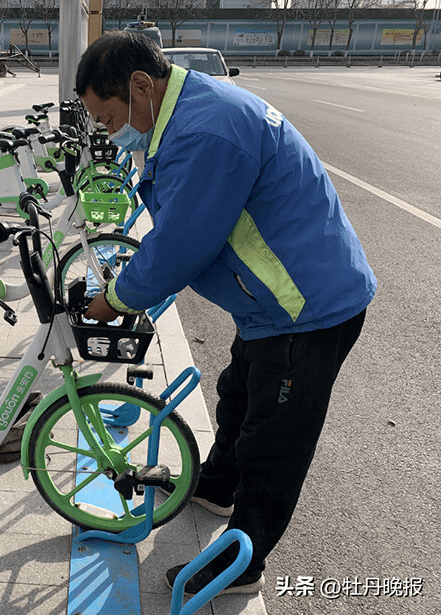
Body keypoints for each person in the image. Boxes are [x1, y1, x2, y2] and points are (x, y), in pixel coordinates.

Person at [77, 31, 376, 597]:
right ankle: (215, 485)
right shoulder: (191, 111)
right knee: (238, 393)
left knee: (274, 440)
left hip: (306, 309)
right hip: (273, 303)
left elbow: (183, 243)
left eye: (110, 115)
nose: (109, 128)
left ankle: (244, 563)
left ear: (141, 85)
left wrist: (115, 299)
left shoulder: (207, 129)